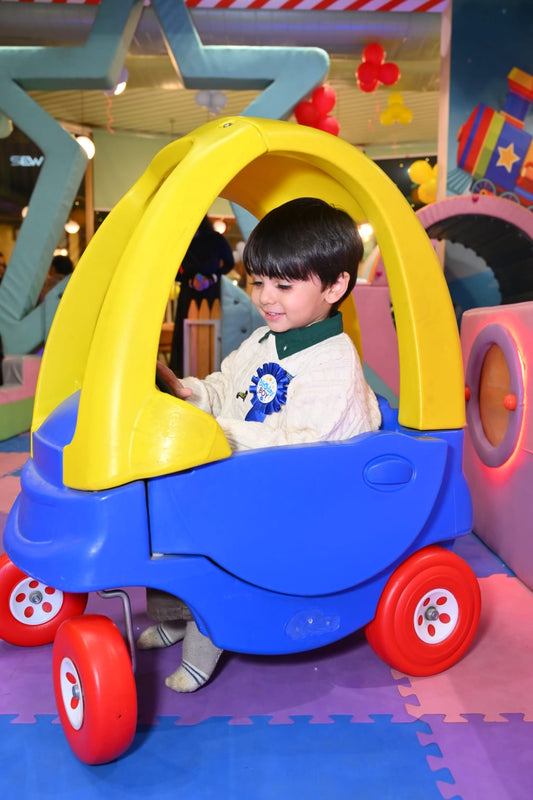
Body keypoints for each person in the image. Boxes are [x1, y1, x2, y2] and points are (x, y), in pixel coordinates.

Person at [139, 197, 382, 693]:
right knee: (156, 504)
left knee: (205, 529)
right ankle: (178, 612)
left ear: (335, 286)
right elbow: (226, 386)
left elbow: (302, 450)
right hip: (244, 473)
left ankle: (207, 635)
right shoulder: (262, 340)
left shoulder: (334, 365)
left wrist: (218, 433)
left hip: (301, 500)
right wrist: (190, 394)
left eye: (284, 286)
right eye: (257, 282)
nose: (266, 298)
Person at [170, 215, 234, 376]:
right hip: (188, 293)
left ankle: (213, 372)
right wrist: (190, 280)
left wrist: (211, 278)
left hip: (211, 292)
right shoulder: (181, 240)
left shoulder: (216, 239)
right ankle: (182, 373)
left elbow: (229, 263)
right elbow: (171, 270)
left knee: (212, 332)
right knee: (184, 335)